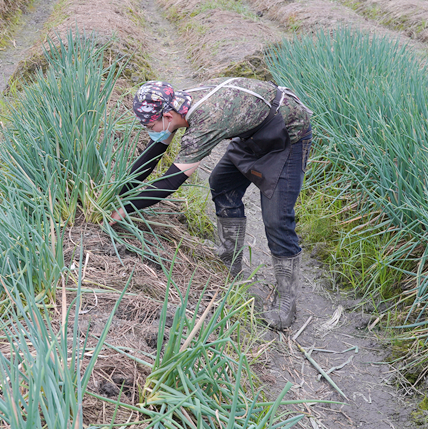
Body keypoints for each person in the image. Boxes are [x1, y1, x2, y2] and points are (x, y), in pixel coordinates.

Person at [112, 78, 313, 330]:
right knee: (222, 183)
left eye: (149, 124)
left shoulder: (205, 119)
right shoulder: (176, 106)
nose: (148, 129)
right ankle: (230, 259)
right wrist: (120, 193)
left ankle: (286, 303)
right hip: (253, 132)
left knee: (277, 219)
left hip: (286, 133)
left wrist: (123, 209)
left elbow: (170, 182)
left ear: (167, 115)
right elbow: (153, 154)